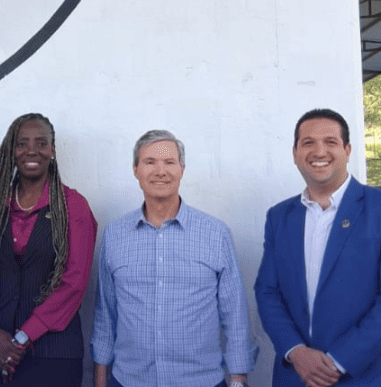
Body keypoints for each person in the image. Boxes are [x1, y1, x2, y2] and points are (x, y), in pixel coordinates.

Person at [255, 108, 381, 387]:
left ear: (347, 150)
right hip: (298, 375)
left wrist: (338, 361)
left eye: (330, 141)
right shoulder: (279, 216)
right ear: (295, 153)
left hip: (373, 376)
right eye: (308, 142)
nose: (319, 151)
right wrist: (296, 351)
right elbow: (267, 291)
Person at [91, 130, 257, 387]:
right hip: (129, 381)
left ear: (182, 169)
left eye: (169, 162)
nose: (160, 171)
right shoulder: (115, 235)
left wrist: (238, 380)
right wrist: (100, 380)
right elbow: (105, 315)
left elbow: (235, 315)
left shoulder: (215, 234)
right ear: (135, 169)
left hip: (201, 382)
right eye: (150, 162)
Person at [0, 114, 97, 386]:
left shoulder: (73, 206)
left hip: (54, 357)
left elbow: (74, 282)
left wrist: (20, 339)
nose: (32, 151)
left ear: (52, 151)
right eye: (22, 143)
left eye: (41, 143)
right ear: (12, 150)